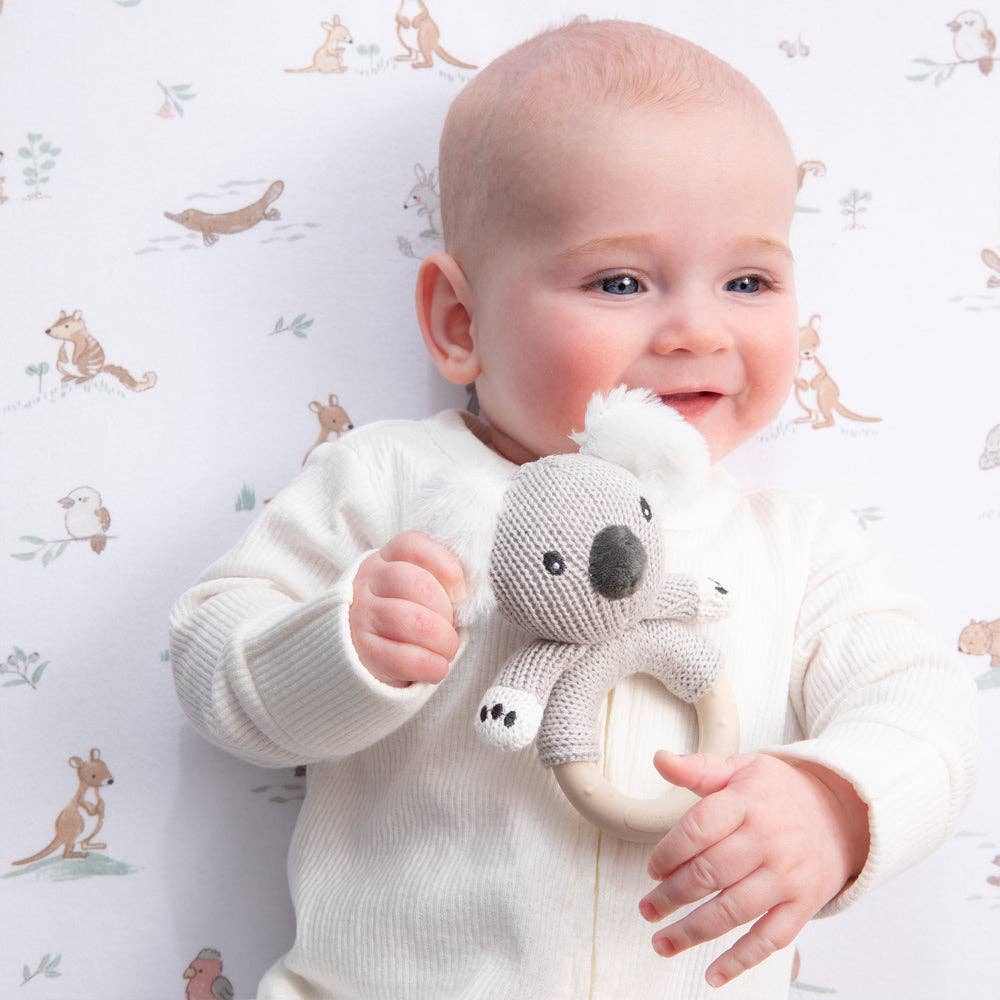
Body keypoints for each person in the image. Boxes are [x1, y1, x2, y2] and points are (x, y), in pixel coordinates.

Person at [168, 18, 980, 999]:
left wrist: (836, 803)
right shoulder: (386, 482)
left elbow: (926, 706)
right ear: (460, 323)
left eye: (748, 279)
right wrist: (338, 642)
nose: (696, 327)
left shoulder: (797, 546)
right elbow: (212, 652)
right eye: (621, 280)